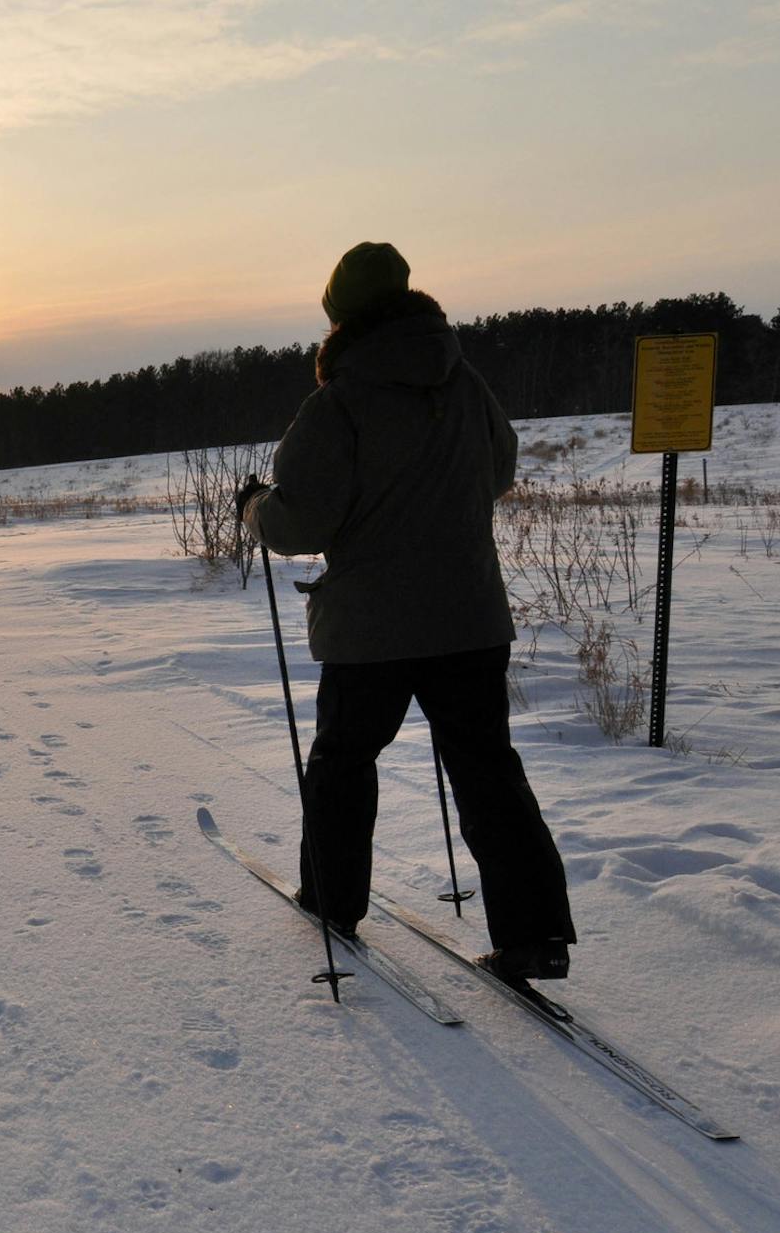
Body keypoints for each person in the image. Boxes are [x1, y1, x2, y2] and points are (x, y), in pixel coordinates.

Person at [235, 241, 576, 982]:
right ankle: (536, 935)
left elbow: (301, 523)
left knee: (343, 764)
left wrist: (256, 507)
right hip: (469, 619)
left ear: (338, 315)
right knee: (488, 769)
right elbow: (500, 467)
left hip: (370, 631)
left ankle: (331, 902)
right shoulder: (462, 382)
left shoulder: (339, 402)